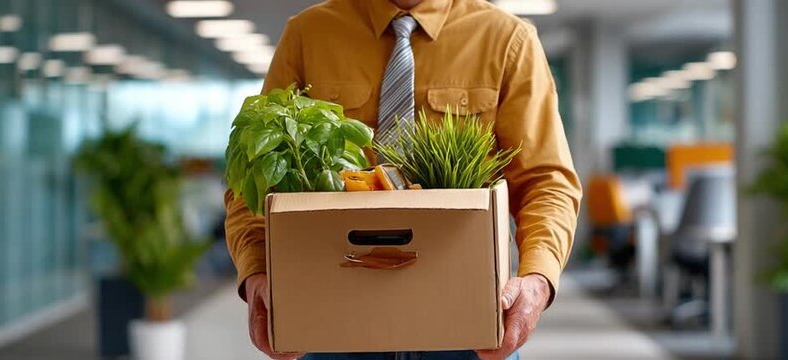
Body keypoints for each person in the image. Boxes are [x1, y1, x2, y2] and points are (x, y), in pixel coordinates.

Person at [224, 0, 583, 359]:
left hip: (466, 321)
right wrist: (257, 270)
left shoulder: (507, 40)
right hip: (335, 319)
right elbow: (255, 172)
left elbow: (545, 180)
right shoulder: (308, 35)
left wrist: (538, 279)